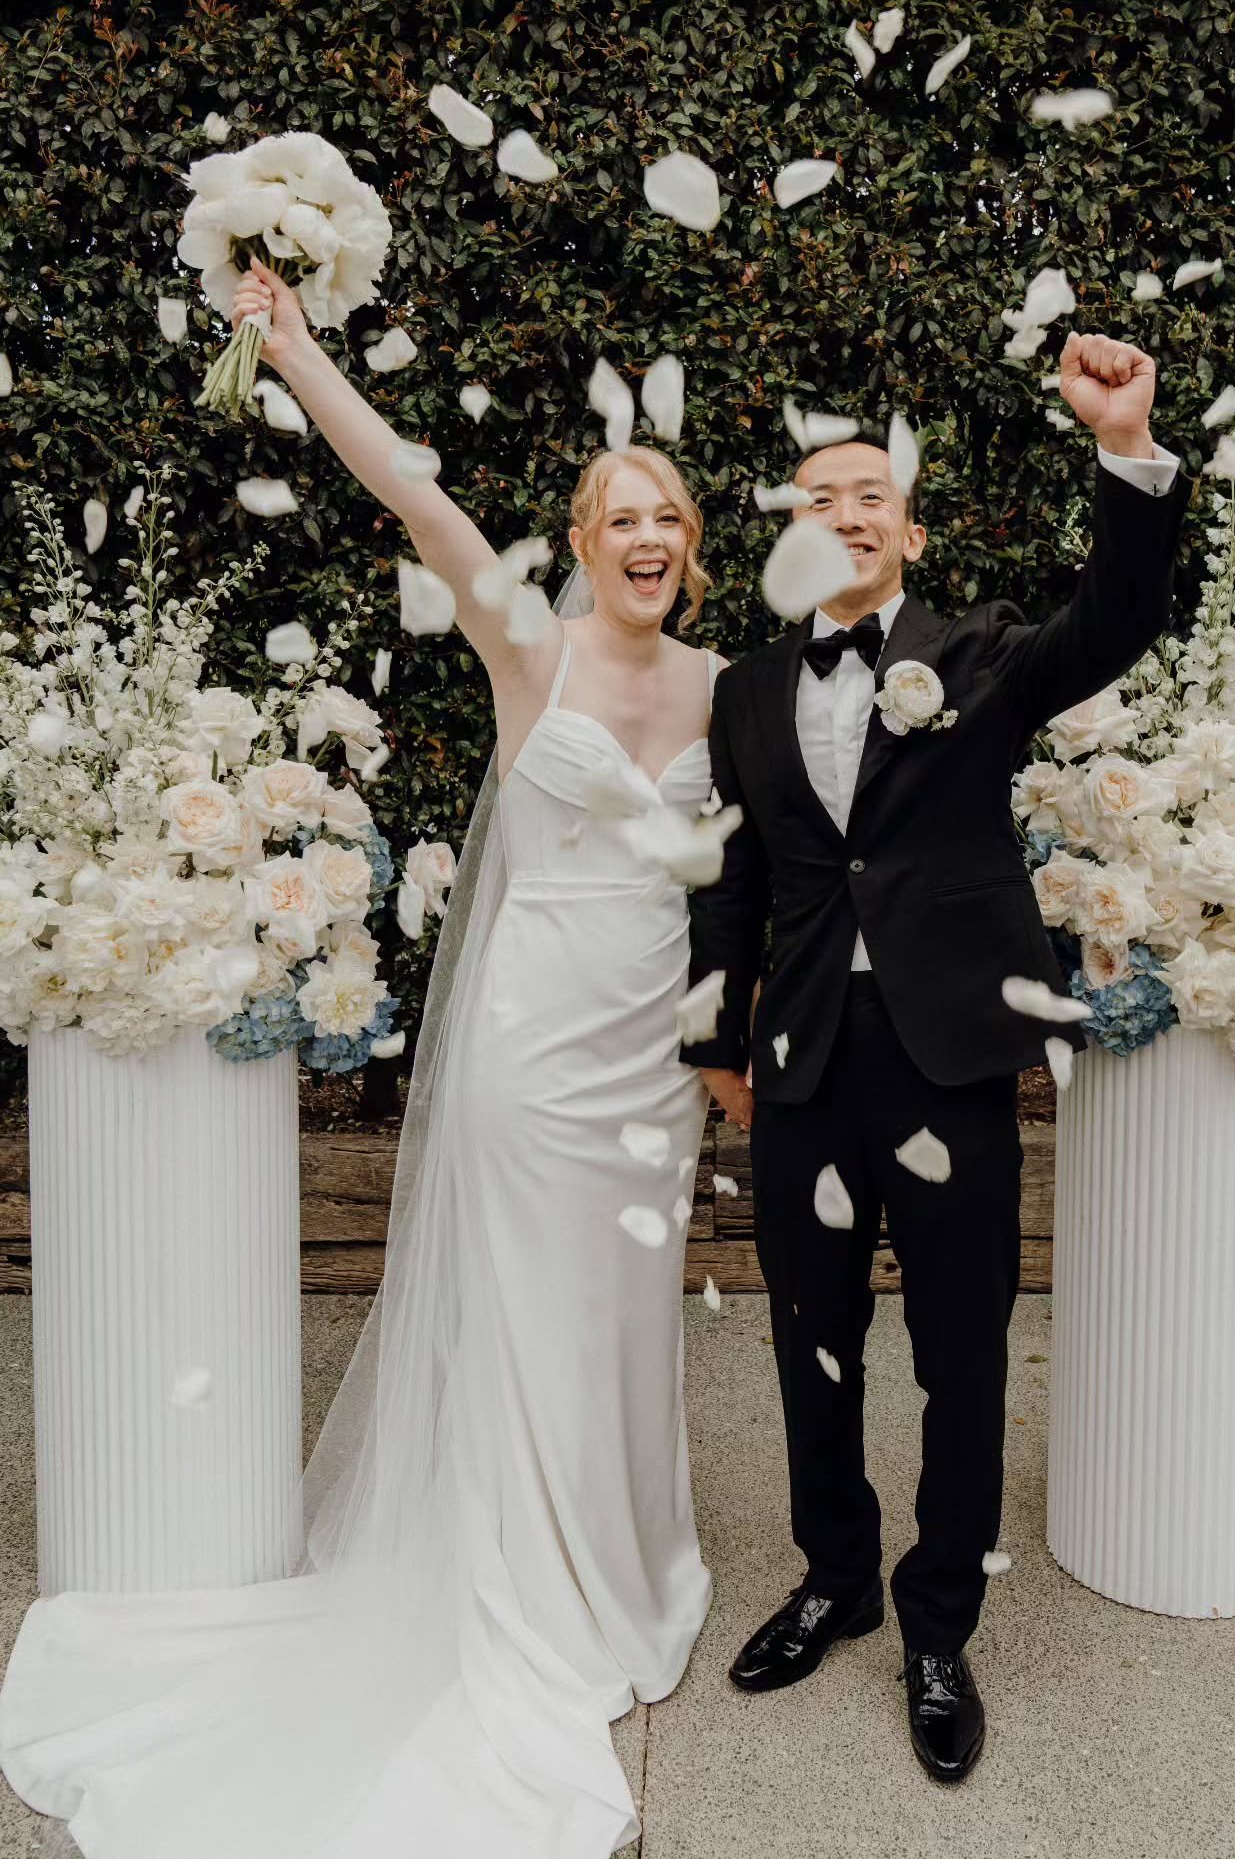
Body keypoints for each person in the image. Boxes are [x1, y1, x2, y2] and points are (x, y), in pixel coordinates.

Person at [0, 256, 724, 1857]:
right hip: (532, 1068)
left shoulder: (736, 695)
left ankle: (621, 1558)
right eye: (619, 515)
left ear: (694, 543)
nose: (645, 538)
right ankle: (522, 1586)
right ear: (586, 541)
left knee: (618, 1323)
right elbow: (411, 493)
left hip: (648, 1079)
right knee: (530, 1318)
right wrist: (296, 347)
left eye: (666, 514)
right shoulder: (532, 647)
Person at [678, 333, 1191, 1784]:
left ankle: (938, 1618)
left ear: (907, 527)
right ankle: (834, 1574)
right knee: (811, 1338)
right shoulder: (743, 693)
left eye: (870, 493)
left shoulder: (976, 653)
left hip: (950, 1057)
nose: (843, 511)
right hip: (803, 1069)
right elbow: (728, 882)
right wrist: (719, 1044)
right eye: (814, 496)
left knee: (959, 1353)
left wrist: (1127, 448)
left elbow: (1118, 617)